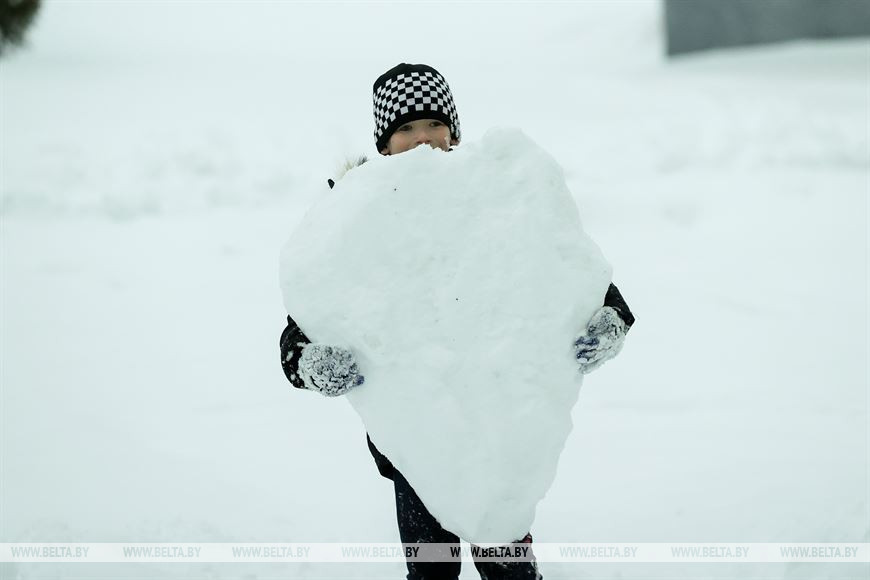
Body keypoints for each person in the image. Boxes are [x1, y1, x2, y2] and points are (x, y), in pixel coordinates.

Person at [279, 62, 636, 580]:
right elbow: (308, 317)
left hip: (498, 424)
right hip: (416, 440)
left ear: (454, 132)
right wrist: (308, 361)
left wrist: (611, 318)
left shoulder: (492, 197)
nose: (423, 138)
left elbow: (560, 267)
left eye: (434, 124)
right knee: (432, 569)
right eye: (406, 128)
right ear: (384, 144)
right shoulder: (356, 218)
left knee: (507, 561)